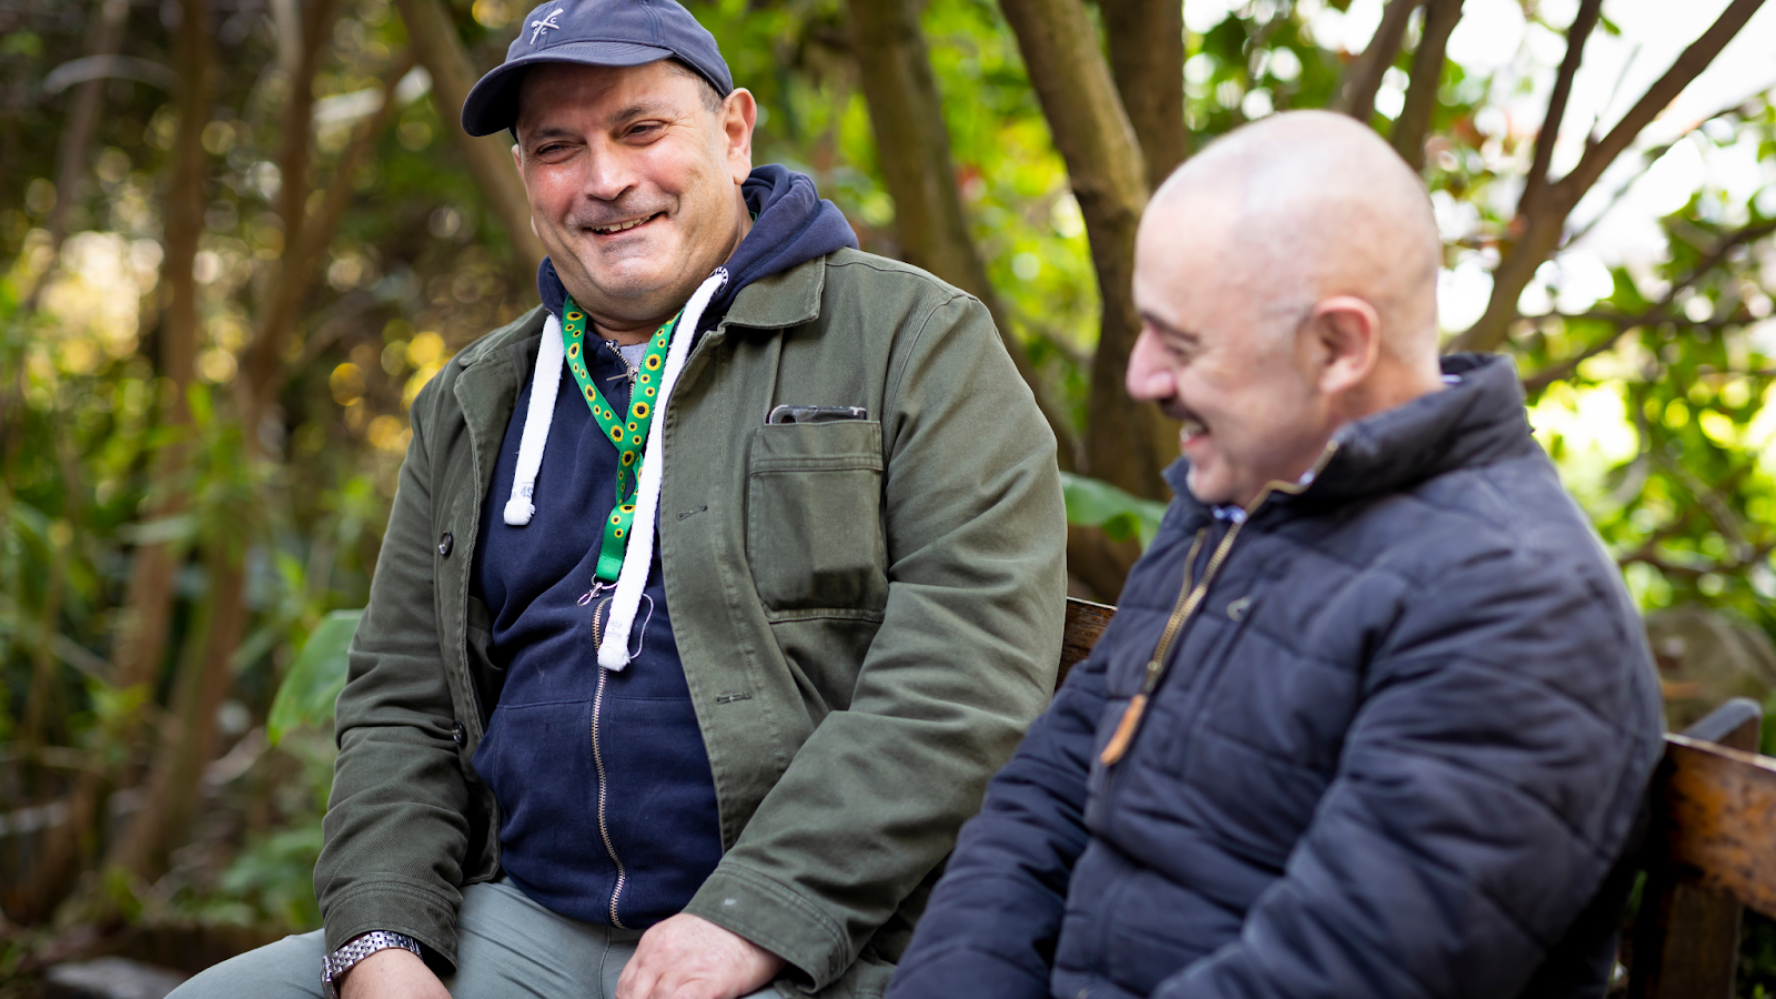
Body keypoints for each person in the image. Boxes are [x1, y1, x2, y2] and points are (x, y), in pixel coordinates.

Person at [171, 2, 1065, 997]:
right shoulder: (476, 399)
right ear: (526, 179)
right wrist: (385, 939)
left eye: (641, 129)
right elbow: (401, 705)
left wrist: (753, 915)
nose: (604, 179)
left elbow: (966, 674)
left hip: (823, 935)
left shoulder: (912, 339)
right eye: (559, 148)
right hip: (530, 919)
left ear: (732, 133)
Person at [885, 111, 1665, 999]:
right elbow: (1043, 802)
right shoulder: (1235, 499)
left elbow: (1338, 973)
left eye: (1180, 343)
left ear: (1338, 346)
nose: (1142, 378)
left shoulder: (1519, 608)